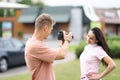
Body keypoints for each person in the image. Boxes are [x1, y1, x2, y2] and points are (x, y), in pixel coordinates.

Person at [24, 13, 73, 80]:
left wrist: (63, 44)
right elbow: (62, 55)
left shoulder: (32, 42)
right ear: (45, 28)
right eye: (51, 29)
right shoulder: (36, 46)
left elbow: (54, 52)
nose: (50, 32)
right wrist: (67, 41)